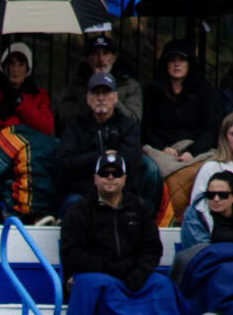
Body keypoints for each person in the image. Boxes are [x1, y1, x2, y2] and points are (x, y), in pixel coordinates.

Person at [61, 152, 177, 315]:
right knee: (95, 285)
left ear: (124, 179)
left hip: (133, 275)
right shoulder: (79, 209)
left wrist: (140, 271)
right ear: (95, 178)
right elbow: (71, 254)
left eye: (116, 173)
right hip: (98, 274)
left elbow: (152, 248)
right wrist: (110, 267)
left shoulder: (139, 207)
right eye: (104, 173)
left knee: (161, 284)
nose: (110, 177)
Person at [0, 42, 56, 223]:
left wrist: (21, 104)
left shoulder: (37, 95)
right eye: (11, 64)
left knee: (43, 156)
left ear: (28, 68)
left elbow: (46, 128)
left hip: (28, 154)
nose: (15, 69)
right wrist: (0, 113)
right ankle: (13, 210)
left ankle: (32, 210)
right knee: (24, 158)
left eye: (20, 64)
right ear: (3, 67)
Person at [56, 71, 149, 213]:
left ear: (115, 98)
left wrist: (86, 160)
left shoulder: (129, 126)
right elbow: (64, 165)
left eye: (106, 93)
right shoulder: (75, 127)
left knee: (140, 209)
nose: (101, 98)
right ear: (88, 99)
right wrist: (101, 156)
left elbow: (130, 162)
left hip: (121, 193)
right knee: (70, 206)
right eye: (96, 93)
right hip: (83, 193)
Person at [141, 38, 221, 185]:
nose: (177, 64)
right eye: (172, 60)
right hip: (161, 150)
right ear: (165, 64)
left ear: (189, 63)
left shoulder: (205, 89)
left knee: (211, 168)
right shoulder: (152, 91)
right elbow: (146, 129)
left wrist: (192, 151)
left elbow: (212, 128)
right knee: (151, 168)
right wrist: (163, 147)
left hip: (197, 149)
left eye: (182, 59)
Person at [53, 34, 142, 130]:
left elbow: (134, 122)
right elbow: (64, 120)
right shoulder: (76, 84)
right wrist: (90, 95)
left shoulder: (129, 85)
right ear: (87, 59)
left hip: (117, 140)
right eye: (95, 54)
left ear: (113, 58)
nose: (101, 59)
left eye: (105, 53)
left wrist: (111, 98)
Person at [179, 168, 233, 256]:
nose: (216, 199)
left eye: (223, 195)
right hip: (212, 267)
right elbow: (201, 254)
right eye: (211, 195)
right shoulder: (195, 216)